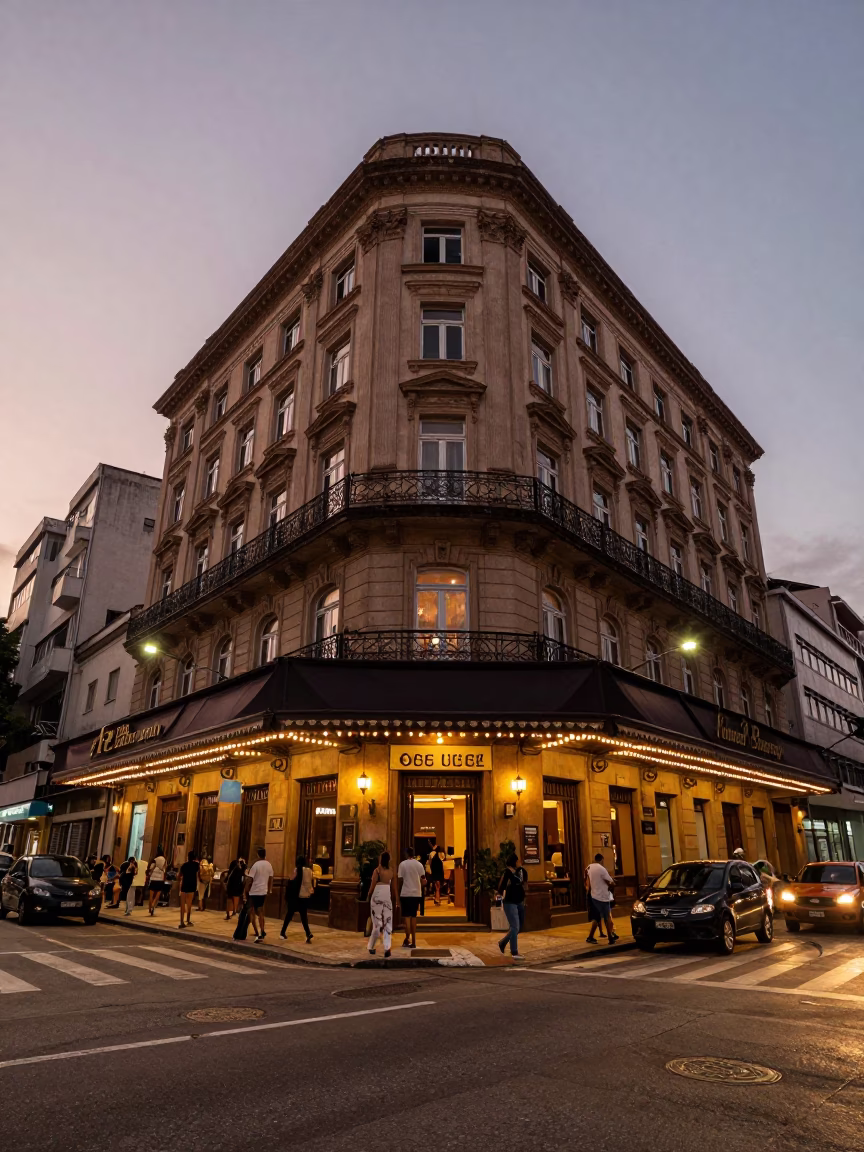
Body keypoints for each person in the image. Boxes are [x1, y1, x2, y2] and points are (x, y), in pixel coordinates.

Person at [496, 853, 528, 960]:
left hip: (519, 902)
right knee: (515, 926)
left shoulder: (520, 871)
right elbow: (500, 887)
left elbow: (524, 885)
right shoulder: (507, 873)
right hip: (510, 903)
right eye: (517, 860)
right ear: (514, 861)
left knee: (518, 926)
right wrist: (499, 899)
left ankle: (503, 943)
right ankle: (514, 952)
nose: (519, 862)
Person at [367, 851, 397, 958]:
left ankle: (371, 946)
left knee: (377, 923)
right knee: (388, 921)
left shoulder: (377, 870)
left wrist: (369, 895)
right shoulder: (391, 871)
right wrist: (395, 899)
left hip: (377, 895)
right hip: (387, 895)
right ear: (389, 860)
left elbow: (372, 885)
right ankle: (387, 947)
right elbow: (394, 887)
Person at [585, 853, 618, 945]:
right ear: (602, 860)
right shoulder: (602, 869)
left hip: (594, 896)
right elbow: (610, 882)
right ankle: (610, 938)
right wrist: (613, 883)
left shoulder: (590, 867)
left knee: (596, 918)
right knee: (607, 917)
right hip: (603, 897)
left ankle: (591, 937)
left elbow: (587, 879)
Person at [280, 855, 315, 943]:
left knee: (289, 915)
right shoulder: (309, 871)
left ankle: (282, 932)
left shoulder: (297, 869)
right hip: (305, 896)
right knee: (304, 916)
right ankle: (308, 933)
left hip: (296, 896)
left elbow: (291, 880)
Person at [397, 845, 426, 949]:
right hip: (416, 894)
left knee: (407, 917)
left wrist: (398, 892)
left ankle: (407, 938)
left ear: (406, 854)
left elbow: (400, 879)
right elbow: (423, 879)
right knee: (413, 916)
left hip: (405, 893)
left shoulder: (402, 864)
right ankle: (413, 941)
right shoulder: (419, 865)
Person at [244, 847, 274, 942]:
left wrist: (246, 890)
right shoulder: (269, 865)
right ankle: (262, 930)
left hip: (254, 891)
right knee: (261, 912)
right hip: (263, 891)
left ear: (258, 855)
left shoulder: (255, 865)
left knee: (251, 911)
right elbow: (271, 878)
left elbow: (250, 879)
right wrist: (269, 890)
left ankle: (256, 930)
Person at [177, 850, 199, 928]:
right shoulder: (196, 865)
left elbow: (179, 875)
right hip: (192, 885)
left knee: (182, 905)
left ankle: (181, 922)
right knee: (189, 904)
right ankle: (188, 920)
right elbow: (198, 874)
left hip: (184, 885)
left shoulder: (184, 865)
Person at [146, 846, 167, 915]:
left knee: (151, 895)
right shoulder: (164, 860)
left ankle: (150, 909)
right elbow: (164, 869)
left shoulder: (155, 859)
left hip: (153, 878)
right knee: (158, 893)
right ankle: (154, 903)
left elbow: (151, 868)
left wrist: (148, 876)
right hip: (160, 878)